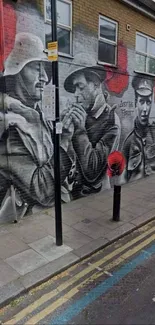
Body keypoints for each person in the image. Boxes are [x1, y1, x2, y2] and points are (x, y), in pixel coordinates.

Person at [0, 32, 71, 220]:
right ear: (17, 71)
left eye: (45, 69)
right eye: (36, 68)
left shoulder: (35, 115)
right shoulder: (10, 126)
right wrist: (63, 143)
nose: (45, 78)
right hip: (29, 221)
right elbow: (43, 189)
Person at [62, 53, 121, 198]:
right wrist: (63, 134)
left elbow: (93, 171)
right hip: (74, 194)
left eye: (80, 87)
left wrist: (80, 132)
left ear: (95, 84)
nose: (75, 94)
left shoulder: (112, 121)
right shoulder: (83, 113)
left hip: (96, 197)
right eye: (74, 89)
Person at [122, 75, 155, 182]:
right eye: (141, 101)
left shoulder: (154, 135)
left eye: (148, 102)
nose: (145, 109)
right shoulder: (129, 143)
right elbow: (122, 180)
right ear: (135, 103)